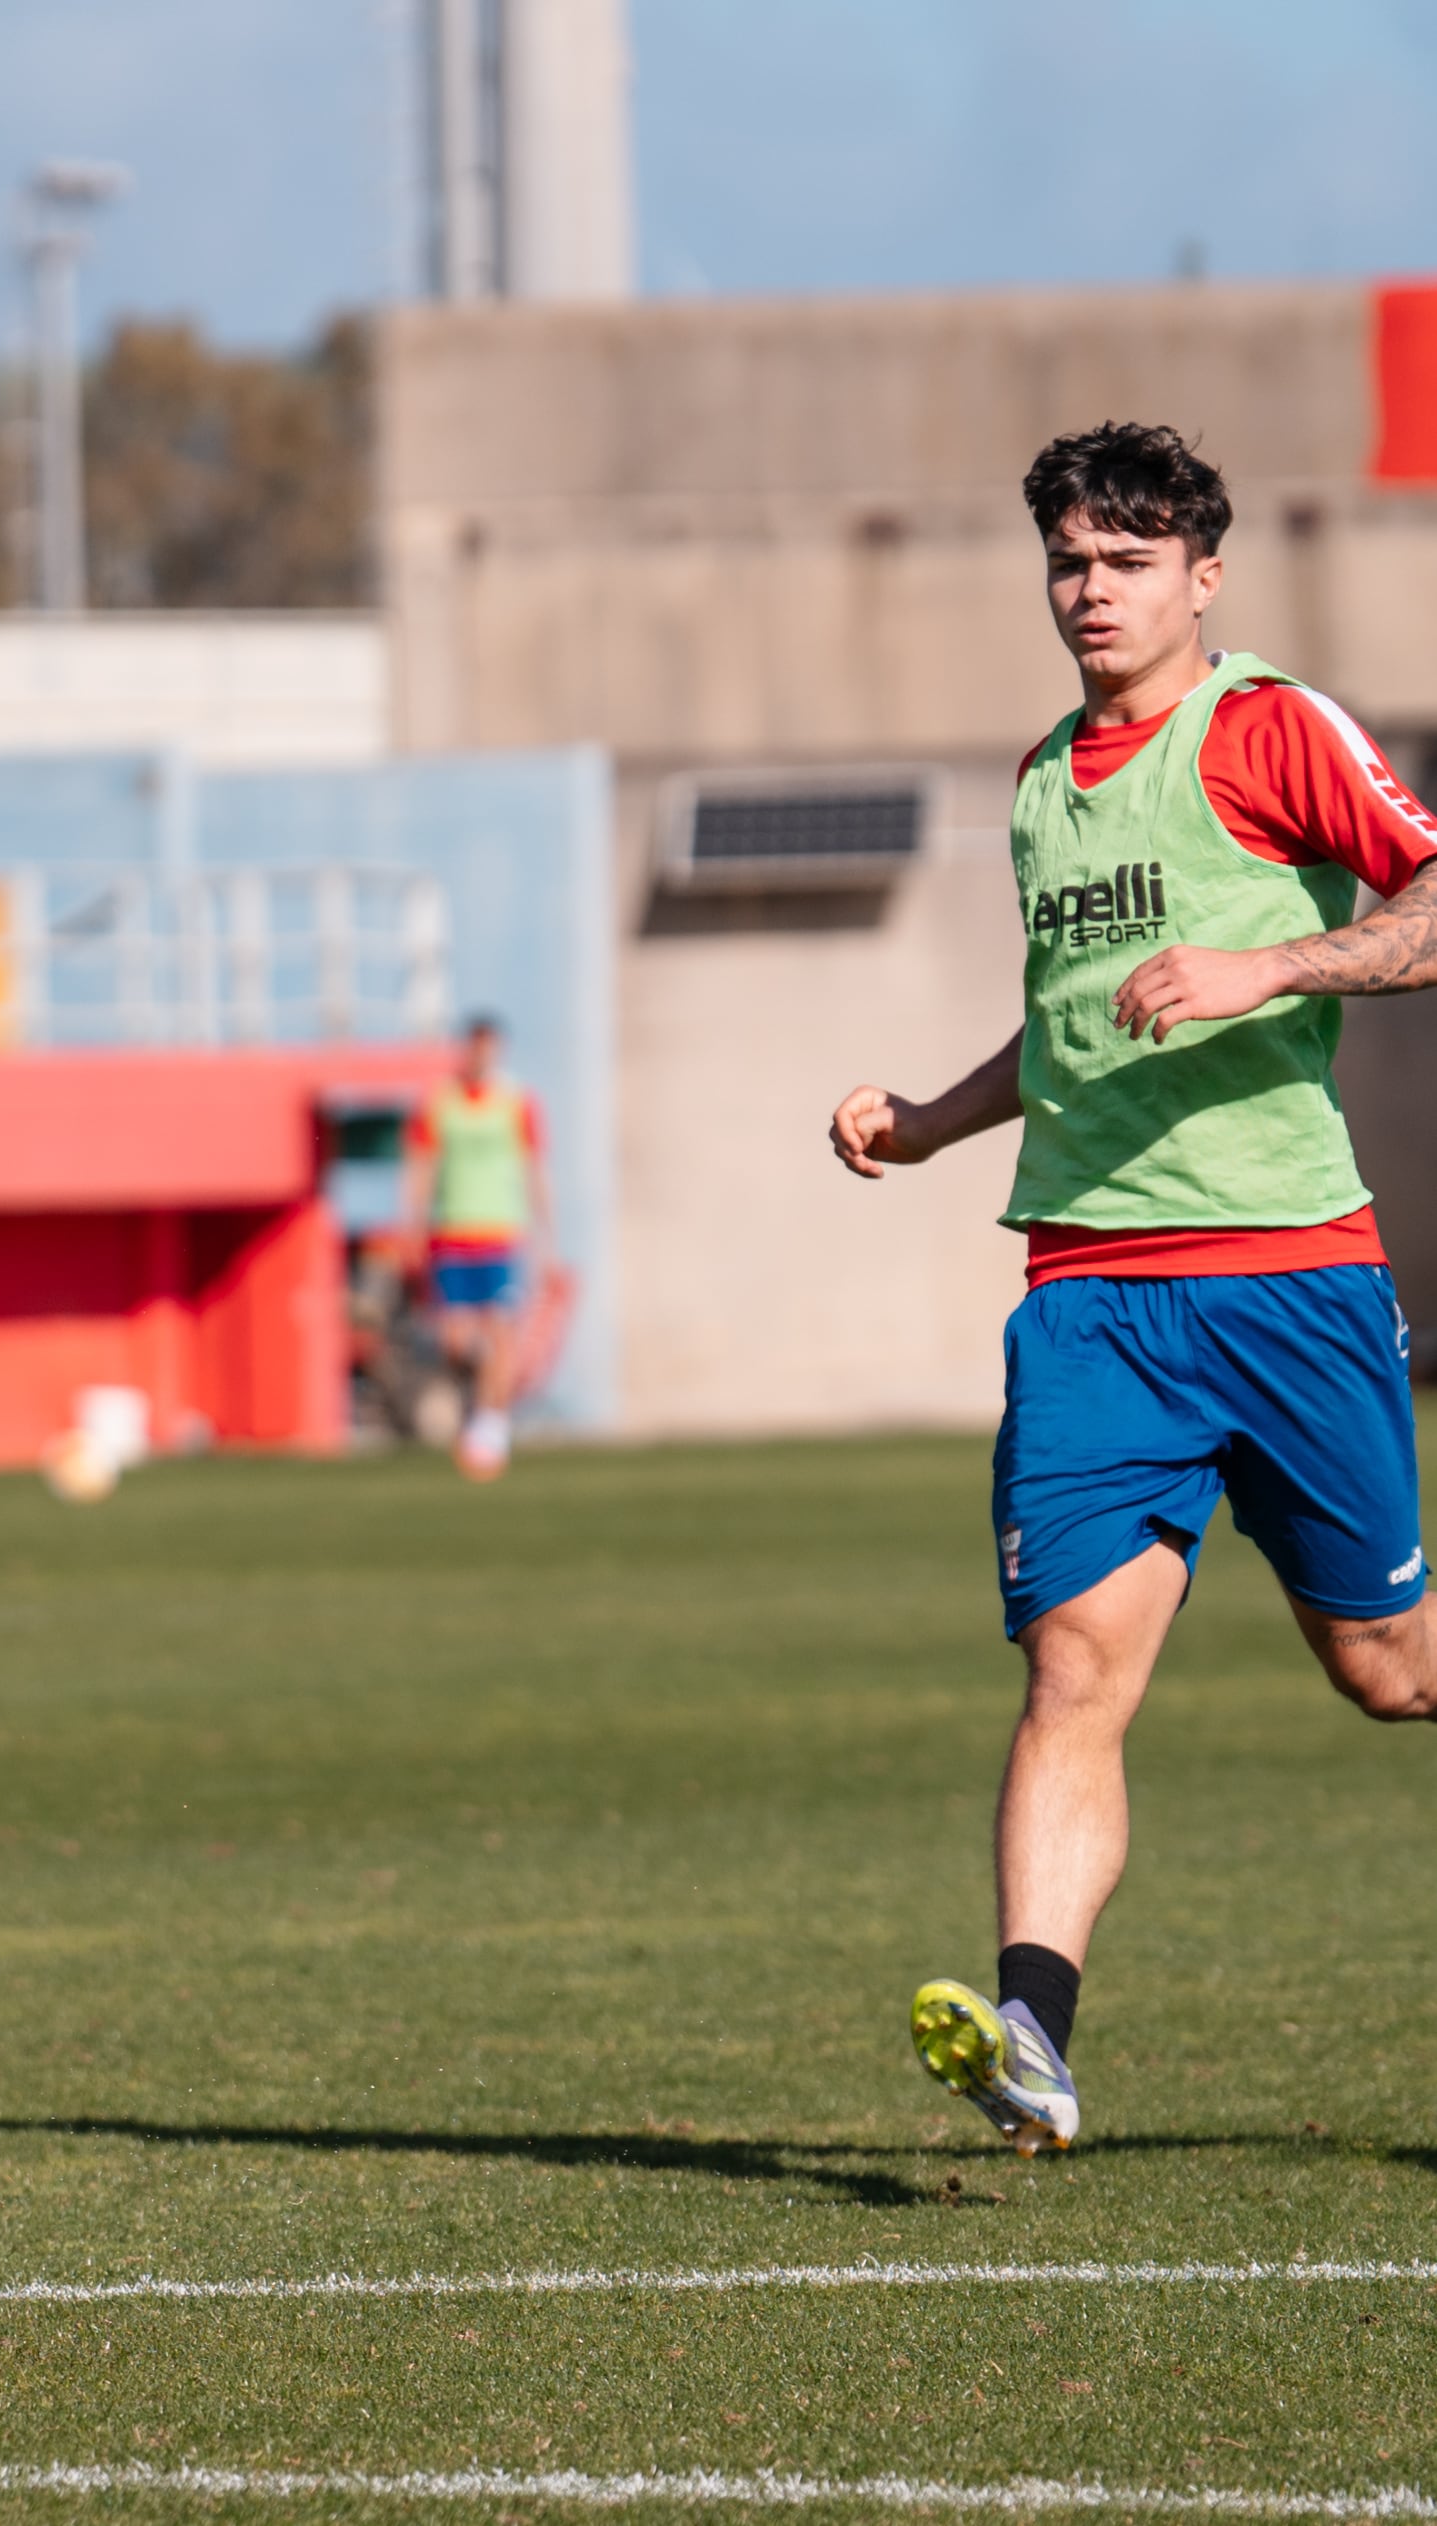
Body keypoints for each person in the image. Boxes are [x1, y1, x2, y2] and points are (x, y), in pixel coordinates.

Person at [827, 421, 1437, 2155]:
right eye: (1065, 563)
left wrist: (1270, 957)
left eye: (1122, 560)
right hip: (1088, 1292)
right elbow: (1077, 1018)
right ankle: (1029, 2036)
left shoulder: (1265, 729)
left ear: (1199, 575)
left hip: (1288, 1274)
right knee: (1073, 1673)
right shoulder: (1038, 782)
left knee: (1384, 1669)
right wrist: (934, 1120)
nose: (1086, 591)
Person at [398, 1011, 557, 1480]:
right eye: (475, 1046)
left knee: (502, 1332)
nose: (482, 1055)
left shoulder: (515, 1101)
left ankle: (490, 1427)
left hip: (501, 1233)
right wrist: (411, 1225)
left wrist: (547, 1239)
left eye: (490, 1047)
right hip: (451, 1233)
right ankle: (480, 1401)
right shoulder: (440, 1102)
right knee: (456, 1341)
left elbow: (534, 1170)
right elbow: (421, 1166)